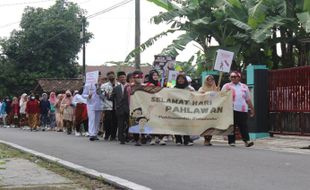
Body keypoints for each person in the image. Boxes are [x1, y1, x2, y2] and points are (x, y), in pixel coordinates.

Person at [221, 71, 255, 147]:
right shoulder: (226, 86)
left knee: (243, 126)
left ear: (239, 78)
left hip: (242, 109)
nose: (233, 78)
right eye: (231, 77)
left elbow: (248, 99)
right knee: (231, 126)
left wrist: (252, 108)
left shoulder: (244, 87)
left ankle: (246, 141)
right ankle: (231, 141)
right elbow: (221, 97)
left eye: (235, 76)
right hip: (230, 109)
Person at [145, 70, 166, 145]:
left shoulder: (160, 84)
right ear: (151, 76)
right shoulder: (147, 85)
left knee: (160, 123)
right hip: (151, 107)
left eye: (156, 75)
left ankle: (161, 138)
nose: (155, 76)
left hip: (159, 106)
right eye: (154, 75)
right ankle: (153, 138)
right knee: (152, 123)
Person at [198, 75, 219, 146]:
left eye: (212, 79)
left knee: (212, 125)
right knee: (206, 125)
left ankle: (209, 139)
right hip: (205, 110)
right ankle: (206, 139)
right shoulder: (202, 88)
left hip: (214, 110)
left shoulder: (216, 88)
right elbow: (199, 97)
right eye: (208, 79)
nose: (210, 81)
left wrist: (217, 91)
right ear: (205, 80)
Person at [174, 74, 194, 146]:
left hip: (186, 110)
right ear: (177, 80)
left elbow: (194, 98)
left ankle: (187, 140)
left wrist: (192, 93)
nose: (181, 80)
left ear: (185, 80)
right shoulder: (174, 88)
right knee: (177, 125)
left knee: (186, 125)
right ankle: (178, 140)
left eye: (182, 79)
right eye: (179, 79)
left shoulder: (189, 88)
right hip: (177, 110)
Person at [111, 71, 130, 144]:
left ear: (126, 78)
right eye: (121, 77)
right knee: (120, 124)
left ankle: (127, 137)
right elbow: (111, 98)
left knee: (128, 123)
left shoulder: (130, 86)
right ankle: (121, 138)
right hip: (119, 108)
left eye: (124, 77)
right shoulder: (116, 88)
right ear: (118, 79)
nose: (122, 79)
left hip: (128, 108)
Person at [100, 71, 117, 141]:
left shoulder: (118, 84)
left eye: (112, 75)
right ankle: (107, 134)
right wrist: (105, 95)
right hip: (107, 105)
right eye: (109, 75)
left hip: (116, 105)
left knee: (115, 121)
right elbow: (101, 95)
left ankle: (113, 136)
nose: (111, 76)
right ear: (107, 77)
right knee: (108, 121)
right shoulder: (104, 86)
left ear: (114, 76)